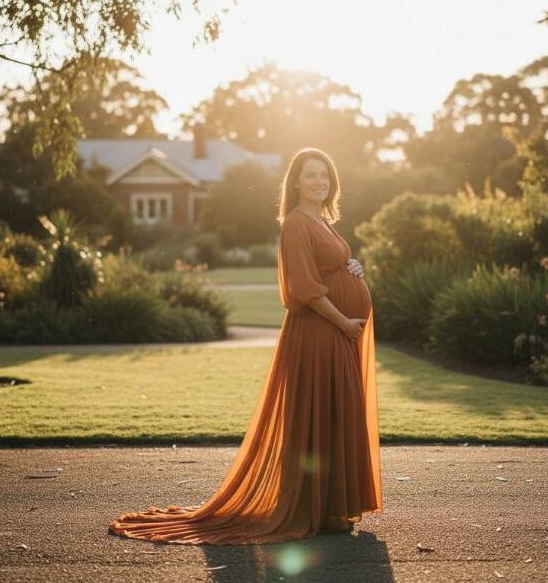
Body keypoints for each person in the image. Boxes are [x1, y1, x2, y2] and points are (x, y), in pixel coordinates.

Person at [108, 147, 382, 545]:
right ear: (296, 182)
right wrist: (343, 322)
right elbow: (303, 290)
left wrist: (352, 267)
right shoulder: (295, 223)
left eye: (325, 174)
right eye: (311, 174)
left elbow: (329, 266)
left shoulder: (322, 221)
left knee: (333, 412)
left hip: (337, 334)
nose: (319, 181)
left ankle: (330, 508)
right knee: (316, 414)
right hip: (320, 333)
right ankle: (311, 507)